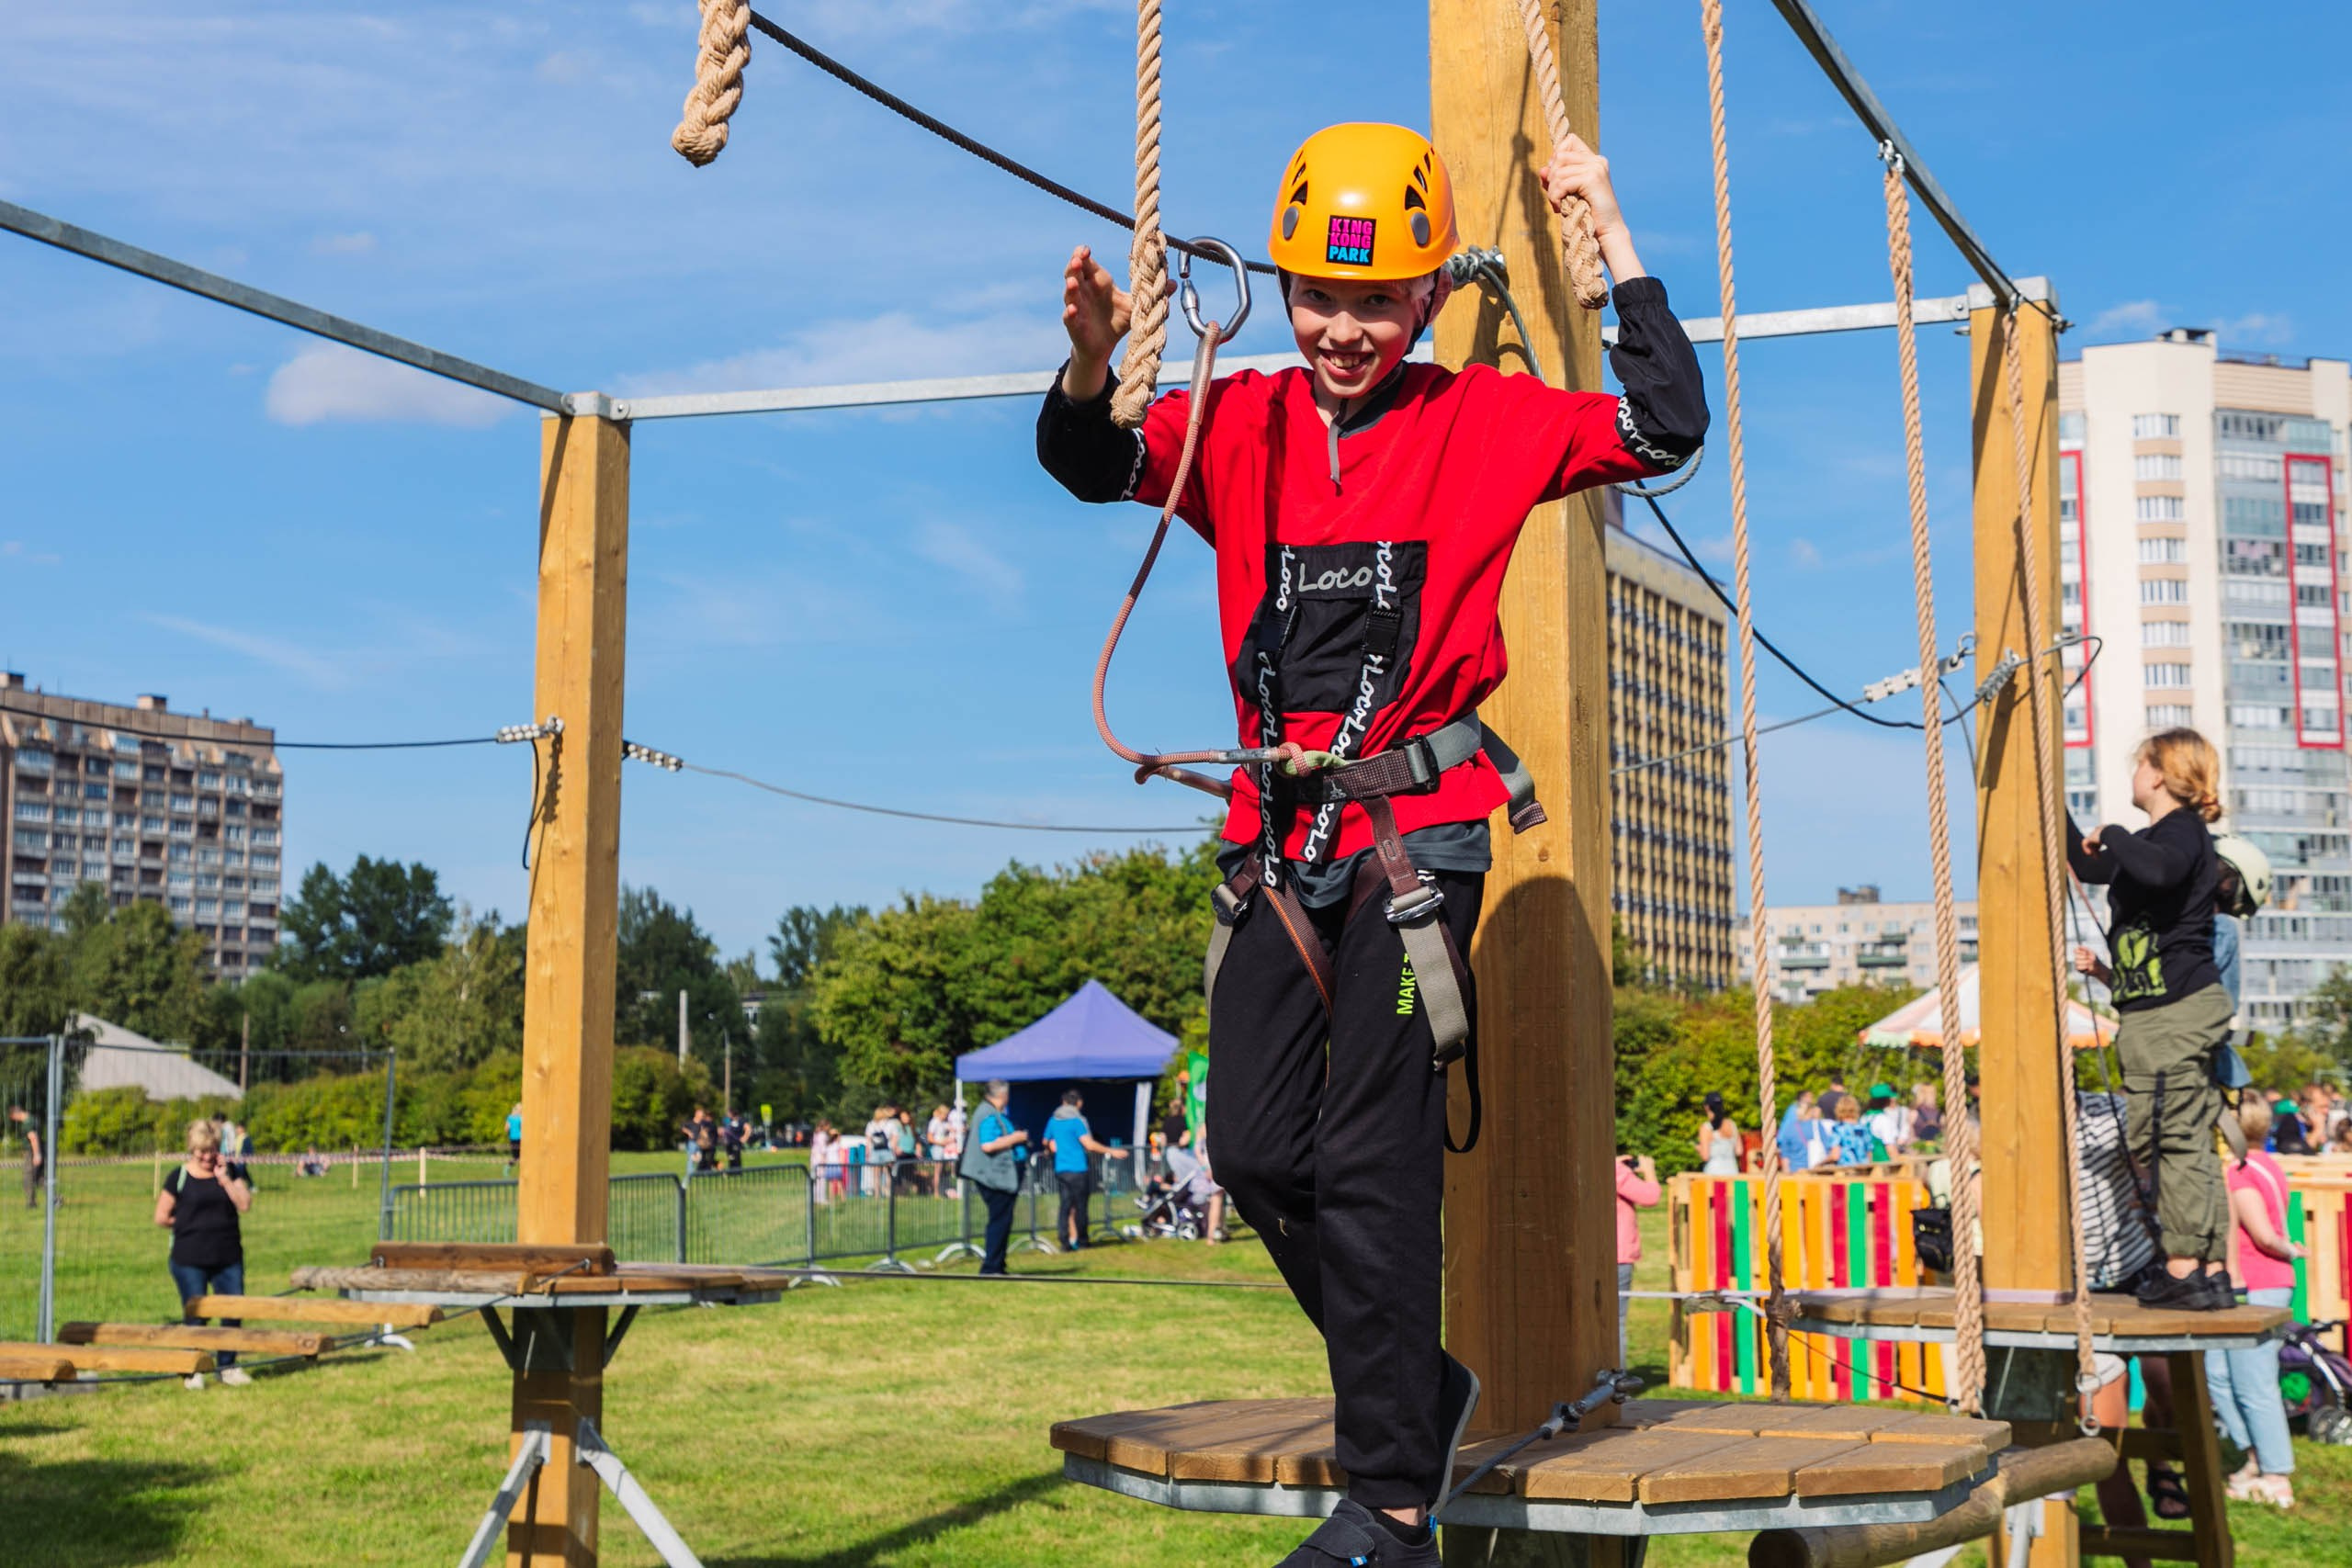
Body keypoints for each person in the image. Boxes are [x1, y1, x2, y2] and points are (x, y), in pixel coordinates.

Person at [1040, 123, 1702, 1562]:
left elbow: (1666, 427)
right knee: (1254, 1146)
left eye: (1379, 302)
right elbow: (1089, 464)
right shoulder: (1244, 420)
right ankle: (1424, 1388)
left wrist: (1611, 234)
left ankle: (1392, 1498)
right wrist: (1097, 362)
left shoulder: (1485, 419)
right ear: (1285, 292)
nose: (1344, 330)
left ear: (1428, 302)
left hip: (1418, 844)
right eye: (1320, 299)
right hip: (1277, 842)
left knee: (1374, 1156)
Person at [2068, 728, 2234, 1310]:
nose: (2133, 775)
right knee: (2185, 1135)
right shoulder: (2158, 841)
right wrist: (2053, 805)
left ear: (2158, 773)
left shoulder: (2180, 833)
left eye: (2138, 765)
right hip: (2163, 1011)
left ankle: (2186, 1267)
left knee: (2168, 1136)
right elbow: (2092, 871)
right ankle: (2208, 1269)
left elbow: (2158, 871)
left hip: (2171, 1012)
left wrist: (2110, 831)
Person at [2210, 1099, 2301, 1507]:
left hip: (2256, 1286)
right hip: (2259, 1286)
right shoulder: (2269, 1164)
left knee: (2253, 1382)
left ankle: (2276, 1473)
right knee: (2220, 1374)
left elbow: (2262, 1233)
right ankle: (2253, 1455)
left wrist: (2290, 1249)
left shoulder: (2239, 1173)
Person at [155, 1119, 253, 1389]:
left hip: (228, 1257)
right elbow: (161, 1216)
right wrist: (186, 1224)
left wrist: (224, 1179)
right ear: (192, 1149)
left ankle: (228, 1366)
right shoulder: (179, 1176)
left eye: (211, 1150)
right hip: (189, 1259)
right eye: (201, 1151)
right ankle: (193, 1367)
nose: (207, 1156)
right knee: (196, 1313)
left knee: (232, 1310)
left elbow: (244, 1205)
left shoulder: (229, 1171)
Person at [960, 1080, 1029, 1275]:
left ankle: (998, 1265)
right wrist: (1017, 1138)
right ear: (1002, 1095)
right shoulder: (988, 1114)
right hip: (994, 1178)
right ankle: (991, 1267)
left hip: (999, 1176)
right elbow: (988, 1145)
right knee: (999, 1221)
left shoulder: (990, 1113)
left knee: (1003, 1220)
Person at [1043, 1090, 1113, 1250]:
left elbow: (1045, 1141)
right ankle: (1082, 1241)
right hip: (1078, 1168)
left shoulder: (1053, 1120)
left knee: (1065, 1206)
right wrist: (1111, 1151)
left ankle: (1064, 1242)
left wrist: (1050, 1148)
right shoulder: (1077, 1121)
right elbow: (1088, 1144)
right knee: (1081, 1207)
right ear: (1078, 1103)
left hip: (1061, 1168)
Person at [1615, 1153, 1661, 1367]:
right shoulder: (1615, 1171)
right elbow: (1650, 1197)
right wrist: (1649, 1170)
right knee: (1617, 1322)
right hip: (1619, 1256)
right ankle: (1618, 1383)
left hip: (1601, 1256)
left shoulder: (1596, 1168)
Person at [1696, 1093, 1740, 1176]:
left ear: (1706, 1107)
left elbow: (1705, 1156)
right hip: (1732, 1172)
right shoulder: (1732, 1124)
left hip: (1713, 1174)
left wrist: (1698, 1148)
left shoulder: (1706, 1128)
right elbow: (1739, 1151)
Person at [1865, 1084, 1912, 1159]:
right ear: (1885, 1100)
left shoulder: (1865, 1117)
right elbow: (1890, 1148)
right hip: (1883, 1163)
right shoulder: (1882, 1119)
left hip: (1868, 1162)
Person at [1774, 1090, 1816, 1172]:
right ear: (1803, 1098)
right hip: (1792, 1141)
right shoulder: (1794, 1109)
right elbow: (1787, 1126)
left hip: (1793, 1157)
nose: (1812, 1099)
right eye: (1810, 1097)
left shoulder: (1793, 1108)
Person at [11, 1106, 40, 1212]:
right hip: (33, 1151)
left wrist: (36, 1154)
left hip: (31, 1153)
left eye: (13, 1117)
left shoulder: (27, 1122)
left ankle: (31, 1203)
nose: (13, 1119)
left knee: (28, 1177)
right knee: (39, 1178)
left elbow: (33, 1138)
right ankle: (55, 1198)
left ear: (16, 1113)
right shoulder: (32, 1119)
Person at [1909, 1082, 1942, 1150]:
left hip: (1920, 1150)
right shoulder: (1940, 1114)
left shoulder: (1913, 1113)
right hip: (1935, 1150)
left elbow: (1910, 1136)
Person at [505, 1101, 524, 1173]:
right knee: (517, 1157)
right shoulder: (519, 1118)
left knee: (519, 1157)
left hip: (516, 1139)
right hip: (517, 1139)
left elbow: (506, 1129)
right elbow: (506, 1128)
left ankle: (520, 1171)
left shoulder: (510, 1117)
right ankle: (507, 1168)